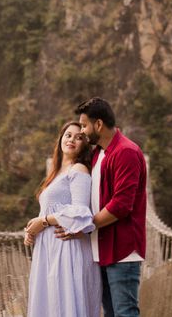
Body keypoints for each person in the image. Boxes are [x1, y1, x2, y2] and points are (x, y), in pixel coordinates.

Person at [64, 97, 147, 317]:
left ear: (98, 124)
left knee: (125, 313)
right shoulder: (98, 154)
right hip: (101, 250)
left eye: (84, 125)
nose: (81, 131)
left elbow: (121, 205)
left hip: (122, 250)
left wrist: (82, 226)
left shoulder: (126, 152)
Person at [24, 121, 102, 317]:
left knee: (65, 306)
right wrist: (32, 231)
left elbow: (80, 212)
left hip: (67, 250)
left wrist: (43, 222)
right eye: (68, 135)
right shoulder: (56, 173)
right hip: (49, 251)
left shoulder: (78, 170)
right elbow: (49, 212)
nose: (72, 139)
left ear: (85, 145)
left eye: (79, 137)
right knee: (51, 306)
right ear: (60, 139)